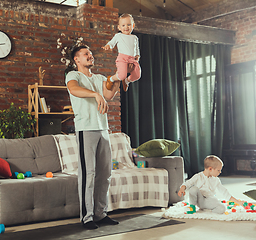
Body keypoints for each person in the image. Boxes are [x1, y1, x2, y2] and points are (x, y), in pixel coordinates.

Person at [65, 44, 121, 230]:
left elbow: (108, 95)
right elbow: (74, 90)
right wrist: (95, 94)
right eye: (85, 54)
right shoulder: (74, 76)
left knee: (104, 174)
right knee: (88, 175)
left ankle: (100, 213)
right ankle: (86, 217)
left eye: (90, 53)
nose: (90, 55)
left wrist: (119, 79)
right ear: (77, 60)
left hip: (103, 130)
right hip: (85, 130)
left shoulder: (99, 78)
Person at [178, 155, 245, 214]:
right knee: (193, 189)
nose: (220, 172)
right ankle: (192, 208)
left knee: (222, 208)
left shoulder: (216, 180)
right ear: (210, 169)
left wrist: (238, 202)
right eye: (218, 170)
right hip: (199, 200)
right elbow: (188, 183)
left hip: (209, 200)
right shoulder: (198, 176)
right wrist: (182, 188)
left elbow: (224, 192)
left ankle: (207, 210)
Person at [102, 13, 141, 92]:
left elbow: (136, 48)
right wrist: (108, 46)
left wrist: (137, 55)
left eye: (129, 25)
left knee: (137, 75)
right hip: (122, 59)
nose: (126, 27)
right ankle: (111, 79)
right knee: (122, 75)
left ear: (133, 26)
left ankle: (126, 81)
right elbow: (111, 43)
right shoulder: (118, 36)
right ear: (119, 27)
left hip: (132, 59)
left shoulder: (135, 38)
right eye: (123, 25)